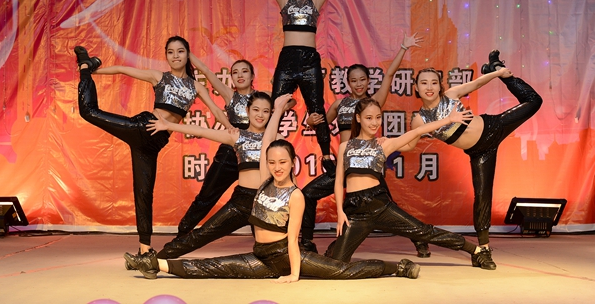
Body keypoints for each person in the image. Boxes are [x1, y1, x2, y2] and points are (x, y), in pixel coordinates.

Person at [125, 103, 421, 281]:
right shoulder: (264, 177)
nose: (277, 167)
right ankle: (154, 262)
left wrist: (293, 274)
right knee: (213, 266)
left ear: (292, 163)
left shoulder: (296, 195)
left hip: (286, 256)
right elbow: (264, 145)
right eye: (272, 163)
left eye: (283, 163)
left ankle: (397, 267)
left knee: (343, 271)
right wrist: (168, 124)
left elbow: (292, 239)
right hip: (261, 255)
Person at [74, 36, 231, 260]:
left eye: (180, 51)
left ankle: (144, 249)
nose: (175, 56)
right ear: (166, 56)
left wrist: (231, 130)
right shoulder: (159, 77)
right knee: (89, 111)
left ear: (188, 55)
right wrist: (92, 72)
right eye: (170, 52)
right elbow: (122, 70)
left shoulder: (195, 86)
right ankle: (84, 67)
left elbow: (215, 110)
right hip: (143, 128)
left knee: (144, 193)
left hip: (154, 144)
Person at [404, 50, 543, 269]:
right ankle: (483, 250)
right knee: (482, 197)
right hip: (480, 152)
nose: (429, 87)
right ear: (416, 87)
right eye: (423, 83)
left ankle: (498, 68)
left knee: (534, 101)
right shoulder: (419, 119)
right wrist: (385, 145)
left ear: (440, 86)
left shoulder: (451, 95)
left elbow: (477, 84)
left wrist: (498, 74)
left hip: (494, 126)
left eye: (433, 82)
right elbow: (409, 145)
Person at [301, 33, 429, 257]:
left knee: (389, 207)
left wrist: (403, 47)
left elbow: (389, 75)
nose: (358, 84)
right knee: (307, 193)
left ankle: (419, 238)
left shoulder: (373, 102)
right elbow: (320, 125)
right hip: (344, 166)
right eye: (354, 80)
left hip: (369, 164)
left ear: (368, 81)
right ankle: (306, 242)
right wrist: (310, 121)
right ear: (348, 82)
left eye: (362, 80)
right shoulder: (340, 104)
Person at [326, 97, 492, 269]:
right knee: (337, 265)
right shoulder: (345, 146)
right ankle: (394, 267)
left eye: (378, 117)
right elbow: (339, 181)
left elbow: (417, 131)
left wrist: (449, 119)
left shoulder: (384, 144)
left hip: (379, 205)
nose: (374, 123)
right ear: (358, 118)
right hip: (354, 209)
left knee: (424, 231)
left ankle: (476, 251)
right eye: (369, 118)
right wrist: (340, 211)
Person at [239, 0, 360, 163]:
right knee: (275, 107)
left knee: (317, 109)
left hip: (309, 62)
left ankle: (326, 157)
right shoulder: (285, 3)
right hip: (288, 59)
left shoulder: (315, 4)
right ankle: (265, 152)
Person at [141, 92, 288, 261]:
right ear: (247, 111)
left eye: (265, 111)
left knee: (275, 249)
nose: (260, 115)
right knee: (202, 234)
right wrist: (168, 125)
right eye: (256, 110)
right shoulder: (237, 135)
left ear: (271, 114)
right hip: (241, 202)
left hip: (266, 202)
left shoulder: (277, 139)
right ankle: (153, 260)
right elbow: (202, 131)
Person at [175, 56, 257, 237]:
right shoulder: (230, 95)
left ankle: (263, 242)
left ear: (252, 76)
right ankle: (181, 235)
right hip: (229, 153)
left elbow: (288, 101)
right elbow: (206, 70)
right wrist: (187, 53)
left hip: (255, 156)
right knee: (206, 196)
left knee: (258, 200)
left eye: (244, 71)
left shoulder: (262, 97)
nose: (240, 75)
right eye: (235, 72)